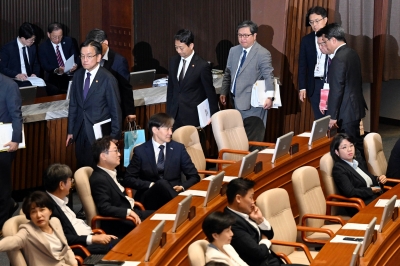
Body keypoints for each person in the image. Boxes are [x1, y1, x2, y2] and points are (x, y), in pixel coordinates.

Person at [124, 113, 200, 210]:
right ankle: (184, 209)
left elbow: (194, 176)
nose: (171, 133)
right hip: (150, 197)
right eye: (167, 129)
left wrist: (182, 187)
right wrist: (150, 185)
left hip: (174, 193)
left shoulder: (178, 148)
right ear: (155, 130)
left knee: (163, 184)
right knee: (161, 183)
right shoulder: (140, 151)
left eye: (171, 128)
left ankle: (181, 208)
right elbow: (128, 178)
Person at [66, 40, 122, 168]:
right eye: (82, 56)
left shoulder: (108, 78)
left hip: (99, 133)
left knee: (98, 168)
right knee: (82, 166)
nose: (85, 60)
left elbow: (115, 108)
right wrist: (70, 130)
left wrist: (115, 135)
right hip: (80, 130)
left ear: (98, 57)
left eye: (89, 56)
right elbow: (73, 104)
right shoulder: (78, 75)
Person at [224, 178, 303, 266]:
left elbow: (270, 234)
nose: (253, 201)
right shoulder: (232, 223)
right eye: (250, 197)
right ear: (238, 198)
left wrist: (259, 220)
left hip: (271, 261)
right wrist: (265, 240)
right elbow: (259, 253)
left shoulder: (245, 212)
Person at [44, 163, 118, 255]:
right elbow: (61, 237)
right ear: (62, 185)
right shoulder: (47, 208)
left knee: (122, 243)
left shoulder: (60, 199)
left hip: (88, 238)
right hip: (80, 247)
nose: (72, 183)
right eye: (70, 180)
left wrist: (95, 237)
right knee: (122, 247)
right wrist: (92, 239)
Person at [316, 23, 368, 153]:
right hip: (354, 107)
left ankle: (359, 172)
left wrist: (332, 116)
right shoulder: (352, 53)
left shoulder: (339, 58)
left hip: (346, 112)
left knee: (350, 148)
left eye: (325, 41)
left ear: (333, 39)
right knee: (356, 145)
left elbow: (337, 89)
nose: (325, 45)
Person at [90, 136, 153, 238]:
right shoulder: (99, 179)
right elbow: (104, 208)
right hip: (120, 221)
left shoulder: (110, 172)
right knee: (159, 224)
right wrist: (128, 212)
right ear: (103, 156)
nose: (119, 154)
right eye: (115, 151)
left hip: (131, 214)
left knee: (162, 215)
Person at [220, 20, 275, 128]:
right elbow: (228, 73)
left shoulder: (262, 53)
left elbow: (269, 76)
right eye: (240, 35)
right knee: (238, 136)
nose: (242, 38)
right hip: (234, 100)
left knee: (252, 136)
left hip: (252, 103)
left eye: (246, 35)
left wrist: (270, 97)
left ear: (254, 36)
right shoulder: (233, 51)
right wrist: (224, 92)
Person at [0, 191, 77, 266]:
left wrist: (74, 263)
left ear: (50, 211)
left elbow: (66, 247)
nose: (39, 215)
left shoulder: (55, 222)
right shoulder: (27, 230)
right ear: (29, 215)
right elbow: (15, 240)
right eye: (33, 212)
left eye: (42, 210)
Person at [166, 29, 219, 130]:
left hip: (193, 115)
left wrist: (214, 115)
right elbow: (171, 89)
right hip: (175, 115)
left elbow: (210, 93)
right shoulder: (173, 61)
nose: (178, 51)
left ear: (191, 45)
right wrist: (169, 113)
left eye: (181, 48)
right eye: (176, 47)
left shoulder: (202, 65)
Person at [86, 29, 136, 123]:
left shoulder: (119, 61)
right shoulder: (88, 58)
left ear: (105, 43)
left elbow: (125, 88)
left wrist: (130, 112)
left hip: (111, 111)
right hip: (93, 111)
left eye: (97, 47)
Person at [330, 133, 387, 216]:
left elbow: (368, 178)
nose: (349, 149)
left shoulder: (356, 162)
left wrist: (379, 179)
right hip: (361, 205)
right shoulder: (339, 169)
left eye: (351, 145)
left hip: (373, 198)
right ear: (337, 152)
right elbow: (350, 192)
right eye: (344, 147)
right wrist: (371, 190)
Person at [0, 74, 22, 238]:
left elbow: (16, 114)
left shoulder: (9, 85)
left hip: (5, 142)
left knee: (3, 186)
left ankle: (3, 225)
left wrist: (16, 140)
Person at [298, 6, 328, 119]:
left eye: (317, 21)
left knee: (333, 117)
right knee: (320, 118)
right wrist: (302, 87)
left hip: (330, 83)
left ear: (325, 20)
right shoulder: (307, 40)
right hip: (315, 84)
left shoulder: (334, 37)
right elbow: (302, 65)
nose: (314, 25)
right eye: (311, 22)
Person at [39, 22, 78, 94]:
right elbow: (45, 65)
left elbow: (76, 57)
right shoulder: (43, 47)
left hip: (71, 73)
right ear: (48, 34)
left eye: (60, 36)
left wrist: (75, 65)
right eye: (54, 37)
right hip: (55, 75)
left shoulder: (69, 41)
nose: (57, 39)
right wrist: (57, 69)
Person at [0, 22, 41, 87]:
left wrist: (35, 74)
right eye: (31, 40)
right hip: (15, 80)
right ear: (22, 38)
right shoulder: (8, 48)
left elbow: (36, 64)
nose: (33, 42)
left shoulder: (33, 47)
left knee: (51, 89)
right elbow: (2, 68)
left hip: (30, 79)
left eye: (34, 39)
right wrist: (17, 75)